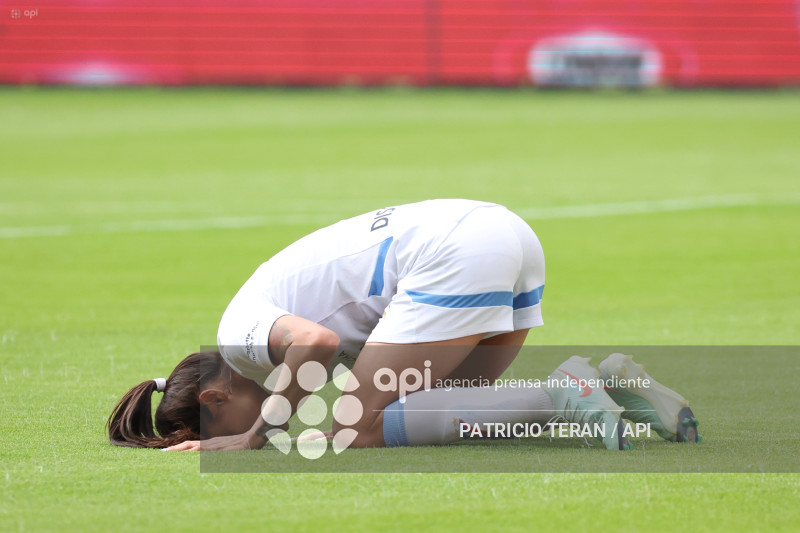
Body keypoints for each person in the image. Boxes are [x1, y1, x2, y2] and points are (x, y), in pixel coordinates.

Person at [107, 199, 700, 452]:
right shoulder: (256, 333)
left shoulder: (238, 333)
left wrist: (250, 436)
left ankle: (566, 392)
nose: (218, 441)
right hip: (507, 232)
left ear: (214, 396)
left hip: (455, 255)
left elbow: (318, 342)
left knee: (353, 430)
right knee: (437, 405)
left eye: (210, 431)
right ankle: (608, 379)